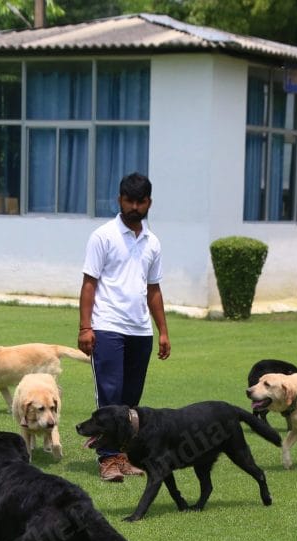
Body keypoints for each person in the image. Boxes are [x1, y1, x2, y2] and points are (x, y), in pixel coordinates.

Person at [78, 172, 171, 482]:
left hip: (140, 331)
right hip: (107, 326)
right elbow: (89, 283)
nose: (134, 207)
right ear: (119, 200)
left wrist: (163, 331)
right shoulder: (103, 236)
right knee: (110, 396)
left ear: (149, 203)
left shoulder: (152, 242)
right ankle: (107, 459)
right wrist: (85, 328)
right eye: (128, 201)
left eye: (140, 202)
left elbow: (153, 289)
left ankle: (124, 456)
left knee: (130, 400)